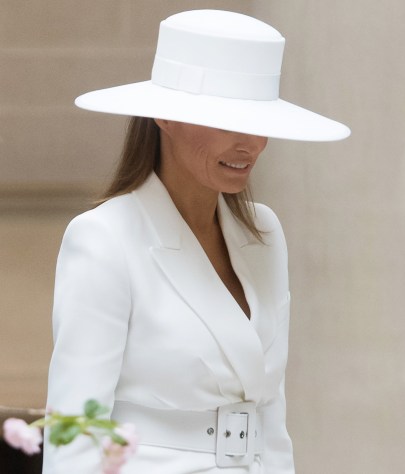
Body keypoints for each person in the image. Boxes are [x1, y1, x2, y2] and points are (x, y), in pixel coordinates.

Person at [43, 9, 349, 474]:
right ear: (165, 116)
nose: (250, 144)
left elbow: (272, 415)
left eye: (260, 121)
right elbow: (75, 434)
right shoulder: (104, 239)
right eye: (227, 121)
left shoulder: (263, 234)